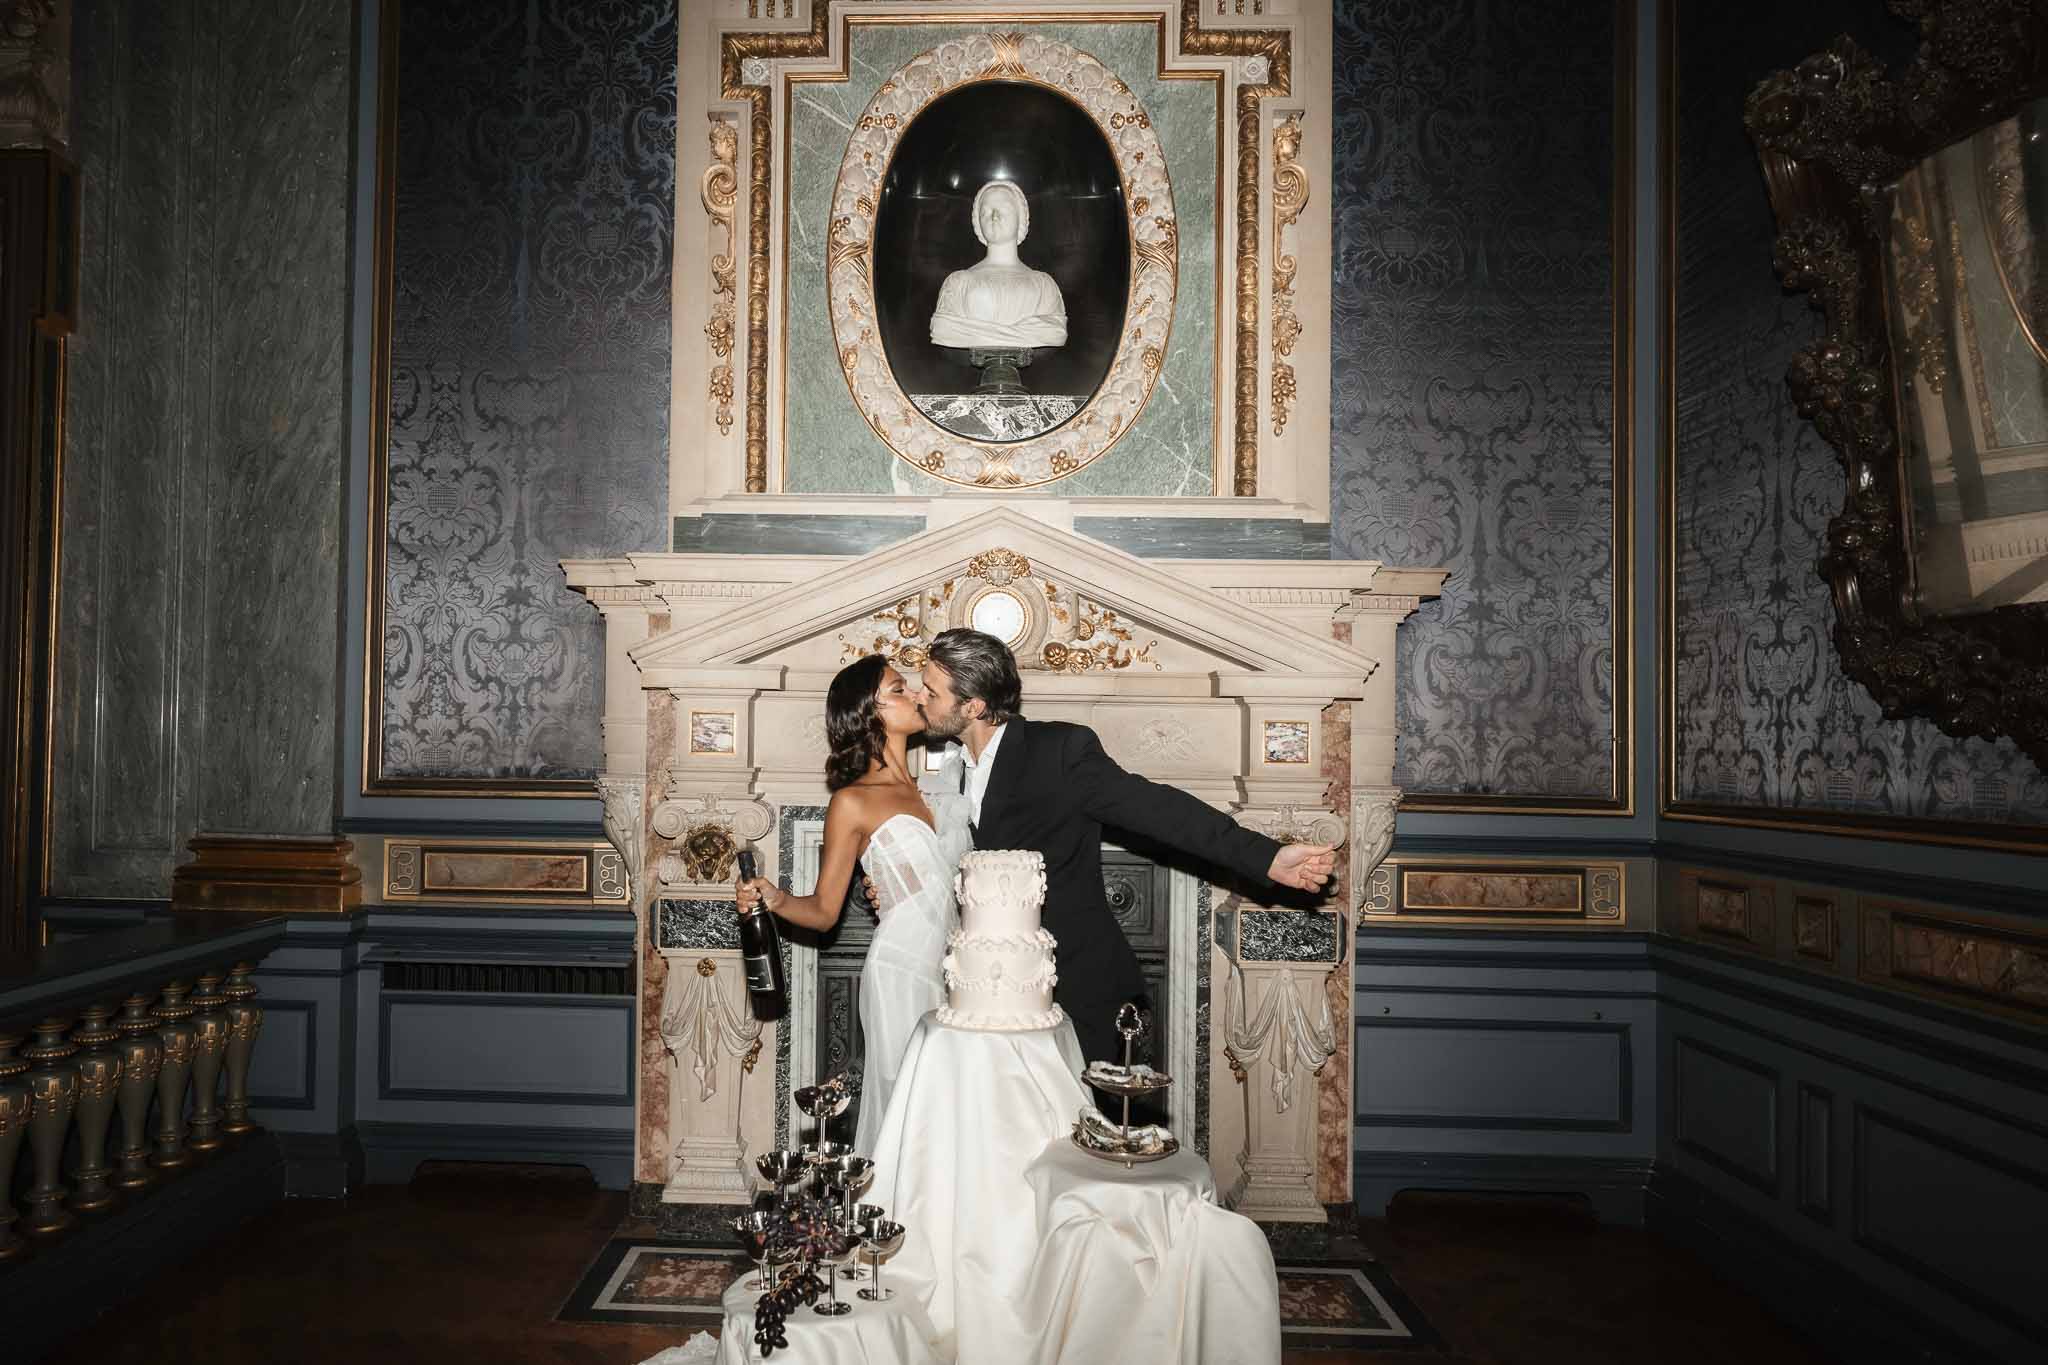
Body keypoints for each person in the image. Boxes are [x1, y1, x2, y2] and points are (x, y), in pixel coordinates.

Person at [917, 628, 1335, 1067]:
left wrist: (1265, 857)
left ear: (974, 706)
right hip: (993, 992)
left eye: (931, 689)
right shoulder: (952, 773)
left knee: (1083, 1127)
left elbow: (1159, 809)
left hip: (1075, 984)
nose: (919, 696)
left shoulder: (1058, 750)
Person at [733, 654, 971, 1154]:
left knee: (952, 1106)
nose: (916, 697)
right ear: (869, 712)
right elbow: (822, 912)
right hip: (901, 971)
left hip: (956, 970)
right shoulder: (853, 801)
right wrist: (774, 898)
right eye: (900, 690)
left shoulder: (938, 788)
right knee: (907, 1110)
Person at [928, 180, 1068, 350]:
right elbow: (942, 329)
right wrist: (1024, 331)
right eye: (985, 212)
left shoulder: (1044, 285)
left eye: (1004, 208)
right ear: (977, 223)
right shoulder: (958, 282)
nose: (994, 216)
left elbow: (1056, 332)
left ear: (1021, 218)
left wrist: (974, 332)